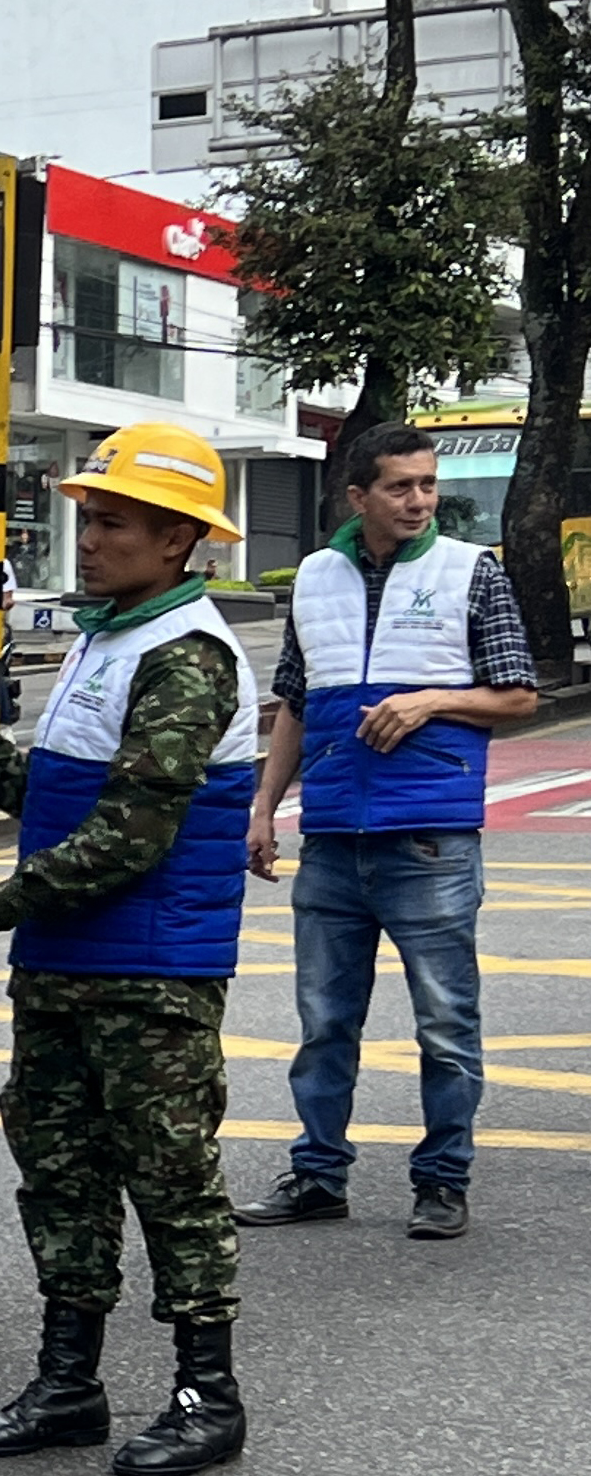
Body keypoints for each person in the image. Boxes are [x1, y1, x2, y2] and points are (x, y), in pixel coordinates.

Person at [0, 423, 260, 1476]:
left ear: (177, 539)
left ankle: (207, 1396)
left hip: (152, 971)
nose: (88, 541)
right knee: (59, 1174)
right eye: (88, 519)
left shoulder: (188, 656)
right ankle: (68, 1384)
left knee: (171, 1179)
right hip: (63, 965)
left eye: (111, 524)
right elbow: (47, 797)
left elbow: (129, 836)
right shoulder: (109, 639)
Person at [238, 421, 539, 1240]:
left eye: (428, 484)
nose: (419, 500)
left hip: (429, 838)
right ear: (357, 496)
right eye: (400, 486)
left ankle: (443, 1180)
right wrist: (265, 808)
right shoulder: (314, 576)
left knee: (446, 1024)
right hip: (333, 836)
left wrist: (431, 701)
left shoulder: (470, 571)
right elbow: (296, 703)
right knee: (324, 1023)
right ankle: (317, 1174)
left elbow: (519, 694)